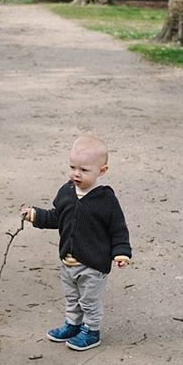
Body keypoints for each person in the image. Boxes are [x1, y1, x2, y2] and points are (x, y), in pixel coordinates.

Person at [21, 135, 132, 351]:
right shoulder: (66, 192)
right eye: (73, 167)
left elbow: (118, 228)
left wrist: (121, 252)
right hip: (68, 262)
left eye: (84, 170)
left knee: (89, 301)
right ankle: (73, 325)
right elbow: (56, 217)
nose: (76, 174)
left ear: (102, 170)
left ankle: (91, 331)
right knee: (72, 298)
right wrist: (35, 215)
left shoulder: (105, 199)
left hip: (93, 264)